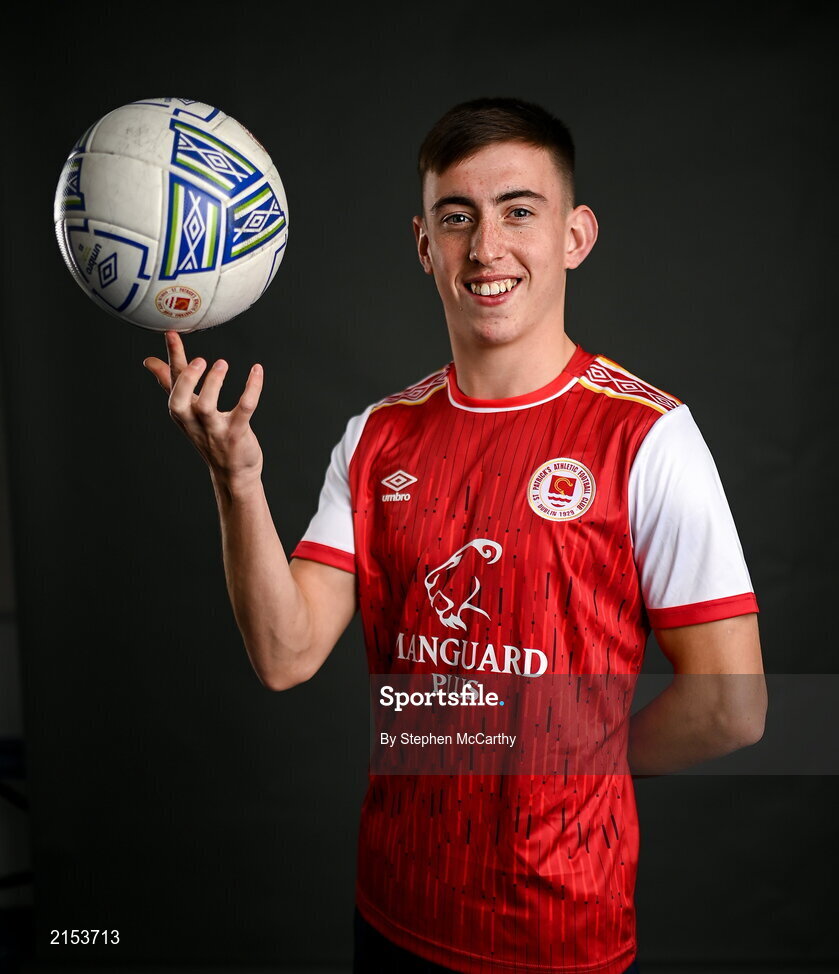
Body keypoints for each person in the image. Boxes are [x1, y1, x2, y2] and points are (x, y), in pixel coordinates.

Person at [143, 97, 767, 974]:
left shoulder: (648, 436)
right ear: (423, 244)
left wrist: (578, 761)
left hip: (557, 935)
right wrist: (236, 481)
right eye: (457, 217)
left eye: (519, 211)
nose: (486, 248)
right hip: (392, 908)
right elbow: (285, 656)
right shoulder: (377, 435)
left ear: (574, 236)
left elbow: (731, 709)